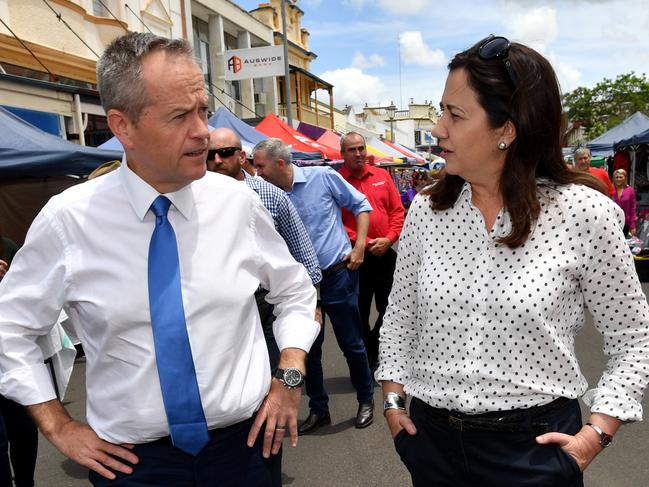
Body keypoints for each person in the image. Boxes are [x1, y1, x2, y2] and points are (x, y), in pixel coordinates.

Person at [0, 32, 319, 487]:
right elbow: (8, 330)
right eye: (179, 116)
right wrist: (58, 425)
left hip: (245, 453)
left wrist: (289, 375)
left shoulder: (237, 203)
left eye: (203, 111)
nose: (202, 132)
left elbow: (295, 291)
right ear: (122, 126)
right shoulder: (69, 220)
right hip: (132, 466)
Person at [377, 34, 649, 486]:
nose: (438, 128)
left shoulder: (583, 213)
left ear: (507, 130)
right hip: (431, 446)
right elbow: (401, 316)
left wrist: (596, 434)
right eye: (441, 110)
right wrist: (392, 400)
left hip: (533, 453)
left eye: (454, 114)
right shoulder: (427, 211)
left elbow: (633, 337)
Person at [252, 138, 376, 434]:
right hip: (301, 285)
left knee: (351, 343)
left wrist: (359, 247)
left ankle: (366, 399)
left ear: (280, 163)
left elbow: (361, 205)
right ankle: (319, 409)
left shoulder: (323, 177)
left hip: (337, 276)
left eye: (260, 165)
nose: (256, 172)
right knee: (310, 349)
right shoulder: (263, 196)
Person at [207, 127, 322, 373]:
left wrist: (313, 304)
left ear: (241, 156)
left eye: (225, 153)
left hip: (267, 302)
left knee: (271, 374)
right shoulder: (195, 199)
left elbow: (304, 255)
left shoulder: (271, 195)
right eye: (210, 154)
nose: (217, 160)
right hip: (222, 309)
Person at [338, 132, 404, 370]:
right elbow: (337, 221)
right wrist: (363, 242)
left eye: (361, 148)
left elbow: (397, 212)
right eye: (352, 150)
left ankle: (376, 345)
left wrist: (389, 238)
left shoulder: (382, 176)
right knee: (360, 311)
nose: (358, 154)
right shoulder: (338, 181)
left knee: (392, 307)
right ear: (342, 154)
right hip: (358, 257)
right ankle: (366, 356)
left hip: (386, 253)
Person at [0, 226, 39, 487]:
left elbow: (32, 291)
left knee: (24, 428)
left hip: (13, 353)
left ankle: (26, 482)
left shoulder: (6, 245)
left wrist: (7, 280)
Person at [612, 168, 637, 236]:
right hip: (612, 222)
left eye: (621, 177)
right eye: (616, 177)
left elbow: (633, 208)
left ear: (625, 178)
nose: (618, 179)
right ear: (614, 178)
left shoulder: (630, 190)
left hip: (625, 223)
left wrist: (633, 225)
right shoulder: (611, 190)